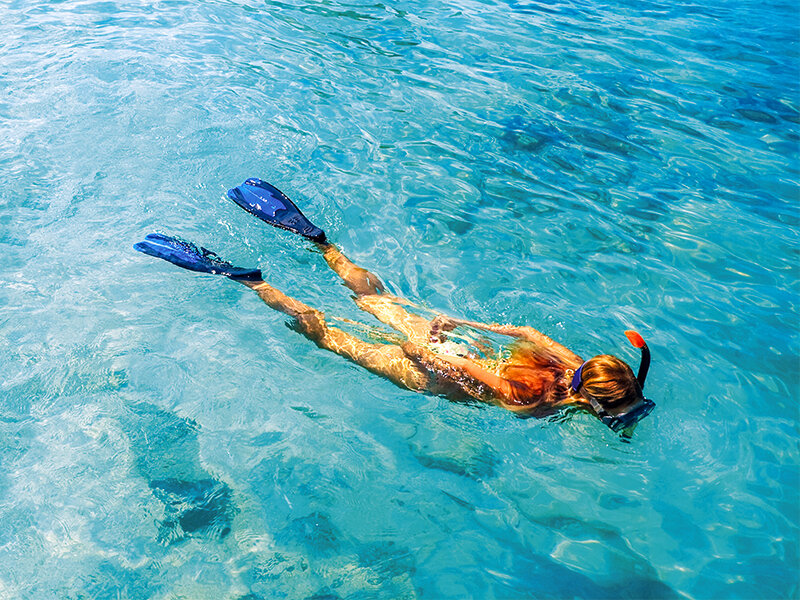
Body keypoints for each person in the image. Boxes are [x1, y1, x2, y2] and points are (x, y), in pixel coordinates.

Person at [135, 179, 655, 433]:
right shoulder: (535, 401)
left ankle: (320, 243)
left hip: (456, 336)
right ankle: (248, 281)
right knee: (325, 332)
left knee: (372, 296)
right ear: (595, 402)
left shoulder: (573, 362)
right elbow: (469, 374)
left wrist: (453, 324)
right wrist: (419, 353)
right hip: (431, 366)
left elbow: (523, 330)